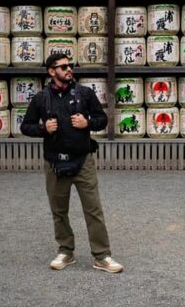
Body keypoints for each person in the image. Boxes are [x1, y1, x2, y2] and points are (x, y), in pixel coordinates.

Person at [21, 53, 123, 273]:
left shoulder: (85, 94)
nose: (69, 69)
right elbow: (25, 126)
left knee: (93, 209)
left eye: (70, 65)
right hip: (54, 162)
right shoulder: (41, 98)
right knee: (59, 210)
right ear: (51, 71)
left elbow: (102, 119)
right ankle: (66, 251)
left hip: (83, 160)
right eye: (63, 66)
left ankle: (101, 256)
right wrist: (42, 129)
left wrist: (87, 123)